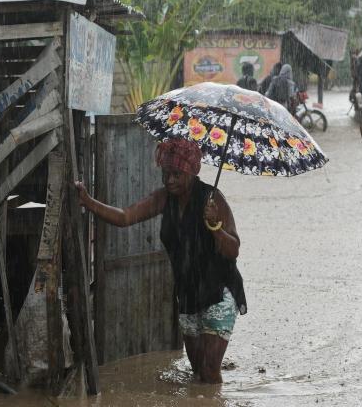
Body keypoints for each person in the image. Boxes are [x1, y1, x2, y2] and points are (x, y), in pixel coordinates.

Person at [74, 139, 246, 384]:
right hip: (188, 292)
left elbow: (234, 250)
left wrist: (215, 226)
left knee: (209, 371)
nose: (169, 180)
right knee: (196, 370)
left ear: (192, 171)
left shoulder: (213, 199)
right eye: (166, 174)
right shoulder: (164, 198)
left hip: (219, 290)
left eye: (176, 174)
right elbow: (125, 217)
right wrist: (88, 201)